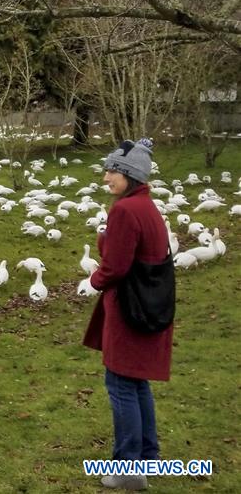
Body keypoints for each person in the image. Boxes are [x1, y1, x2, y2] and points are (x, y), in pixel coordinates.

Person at [83, 138, 171, 491]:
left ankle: (128, 466)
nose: (106, 177)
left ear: (129, 174)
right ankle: (149, 457)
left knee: (120, 383)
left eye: (112, 171)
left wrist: (94, 276)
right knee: (137, 382)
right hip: (150, 306)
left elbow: (115, 267)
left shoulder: (124, 211)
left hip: (129, 309)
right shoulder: (147, 207)